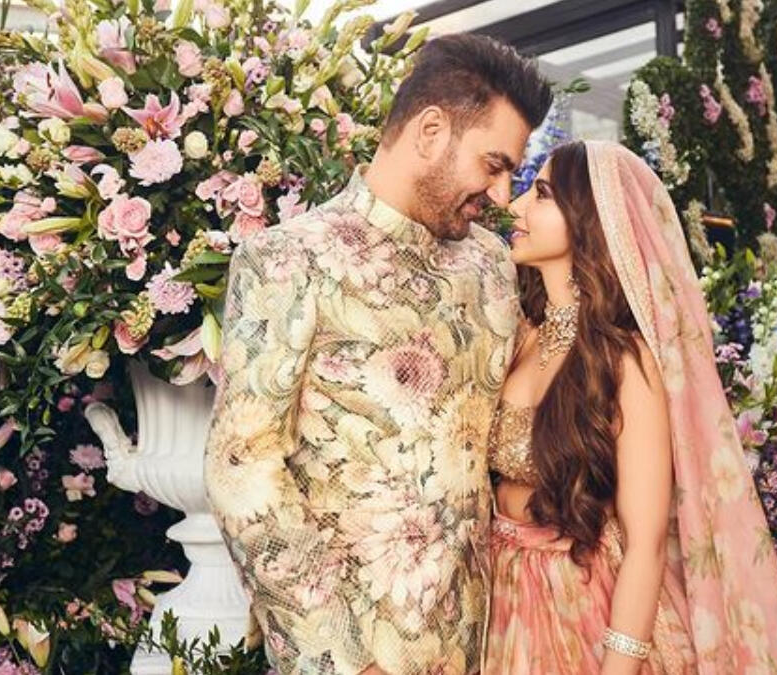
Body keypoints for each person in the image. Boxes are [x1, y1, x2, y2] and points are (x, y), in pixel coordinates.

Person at [203, 33, 552, 675]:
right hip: (354, 651)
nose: (503, 195)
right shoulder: (288, 259)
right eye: (493, 165)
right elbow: (242, 466)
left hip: (490, 641)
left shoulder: (492, 266)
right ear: (430, 131)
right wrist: (338, 653)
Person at [484, 140, 777, 674]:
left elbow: (645, 544)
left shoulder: (623, 362)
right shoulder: (519, 337)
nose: (515, 207)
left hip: (580, 611)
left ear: (591, 220)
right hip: (497, 602)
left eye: (541, 194)